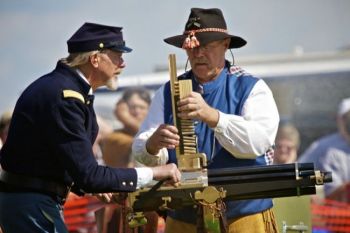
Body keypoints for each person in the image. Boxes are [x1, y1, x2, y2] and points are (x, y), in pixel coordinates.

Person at [0, 22, 181, 233]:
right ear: (95, 59)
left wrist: (94, 186)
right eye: (117, 55)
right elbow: (88, 174)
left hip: (32, 202)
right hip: (31, 204)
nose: (122, 64)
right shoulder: (65, 97)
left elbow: (61, 160)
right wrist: (156, 171)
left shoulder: (66, 89)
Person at [132, 8, 279, 233]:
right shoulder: (167, 92)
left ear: (225, 44)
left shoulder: (252, 87)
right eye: (192, 47)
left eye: (207, 46)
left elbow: (258, 142)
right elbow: (144, 149)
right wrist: (153, 144)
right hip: (184, 217)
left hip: (243, 217)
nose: (198, 53)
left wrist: (213, 116)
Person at [95, 88, 159, 233]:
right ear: (122, 109)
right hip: (122, 212)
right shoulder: (114, 137)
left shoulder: (158, 133)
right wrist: (127, 120)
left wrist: (127, 118)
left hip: (154, 209)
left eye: (141, 107)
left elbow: (154, 146)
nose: (136, 111)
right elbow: (141, 145)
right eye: (131, 107)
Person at [299, 97, 350, 198]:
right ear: (339, 119)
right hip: (333, 210)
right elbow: (299, 174)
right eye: (347, 117)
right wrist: (325, 179)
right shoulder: (323, 147)